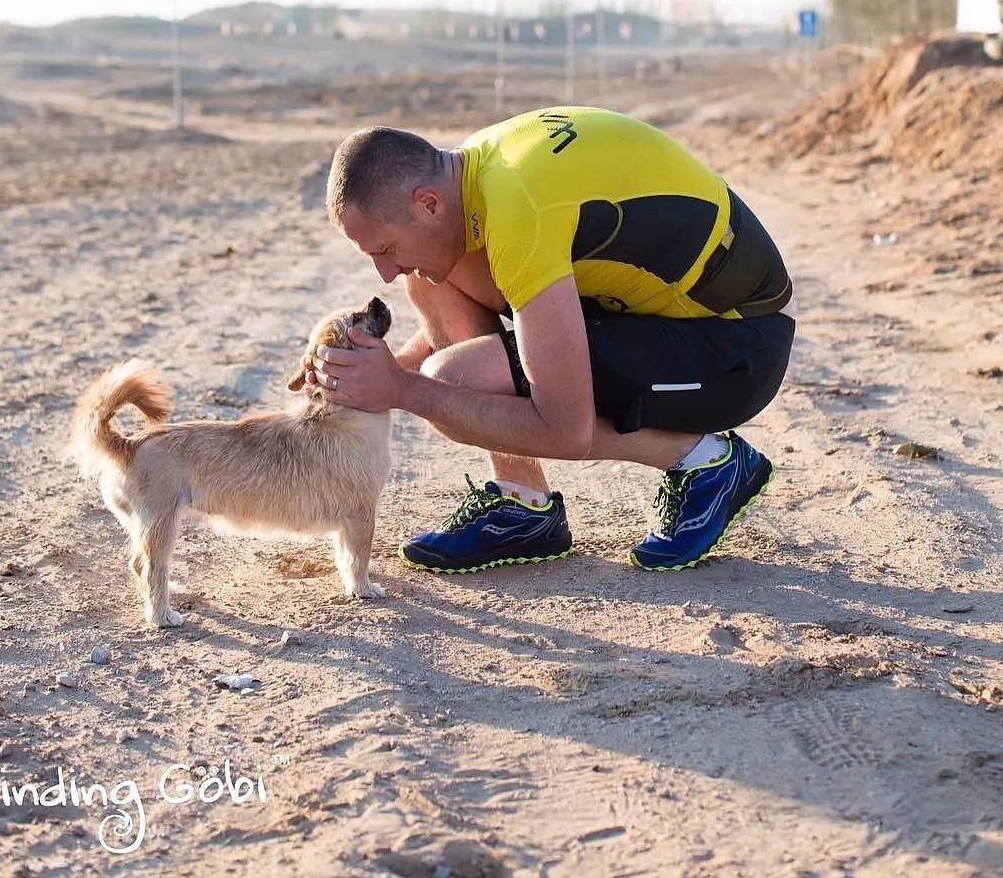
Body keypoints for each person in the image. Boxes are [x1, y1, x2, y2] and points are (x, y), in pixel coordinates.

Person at [306, 106, 795, 574]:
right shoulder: (476, 169)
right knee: (431, 276)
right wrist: (378, 369)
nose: (384, 273)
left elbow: (566, 430)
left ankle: (708, 462)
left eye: (386, 249)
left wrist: (402, 390)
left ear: (427, 203)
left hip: (737, 344)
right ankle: (525, 506)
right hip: (663, 311)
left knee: (454, 381)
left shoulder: (521, 212)